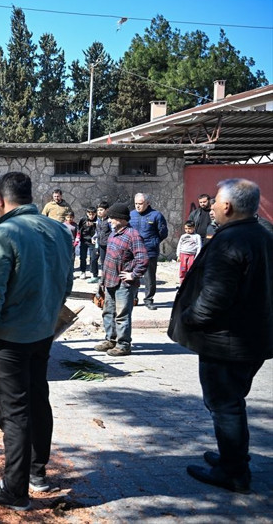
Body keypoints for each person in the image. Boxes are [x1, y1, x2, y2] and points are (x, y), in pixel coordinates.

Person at [0, 172, 74, 511]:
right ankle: (37, 472)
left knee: (14, 413)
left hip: (8, 339)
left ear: (0, 200)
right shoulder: (60, 230)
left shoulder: (3, 234)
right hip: (43, 332)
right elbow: (66, 283)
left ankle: (14, 491)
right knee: (37, 398)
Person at [168, 178, 273, 494]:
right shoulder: (263, 233)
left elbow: (214, 297)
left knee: (224, 404)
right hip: (253, 338)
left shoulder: (230, 241)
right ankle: (233, 455)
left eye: (215, 200)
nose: (211, 205)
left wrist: (190, 318)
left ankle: (234, 471)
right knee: (232, 402)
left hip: (227, 342)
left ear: (227, 206)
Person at [94, 203, 148, 357]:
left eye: (112, 218)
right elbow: (108, 260)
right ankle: (111, 340)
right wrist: (101, 282)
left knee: (122, 315)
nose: (109, 220)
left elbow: (143, 259)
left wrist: (133, 274)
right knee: (108, 313)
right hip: (109, 281)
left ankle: (123, 345)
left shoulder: (133, 235)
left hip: (124, 284)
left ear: (122, 219)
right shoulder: (113, 234)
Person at [129, 193, 168, 310]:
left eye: (140, 204)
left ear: (147, 203)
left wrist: (154, 242)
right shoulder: (131, 214)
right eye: (136, 203)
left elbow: (163, 233)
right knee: (133, 276)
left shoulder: (156, 215)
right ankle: (133, 298)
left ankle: (149, 299)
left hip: (149, 251)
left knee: (149, 277)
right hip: (134, 251)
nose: (138, 206)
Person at [175, 220, 201, 285]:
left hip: (192, 255)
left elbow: (199, 247)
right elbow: (179, 245)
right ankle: (182, 283)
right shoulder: (183, 236)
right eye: (186, 228)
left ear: (194, 228)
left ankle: (190, 284)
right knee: (183, 269)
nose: (187, 230)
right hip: (183, 255)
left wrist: (197, 256)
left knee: (191, 269)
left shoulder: (197, 236)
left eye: (189, 228)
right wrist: (178, 255)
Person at [77, 207, 98, 281]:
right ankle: (83, 271)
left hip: (93, 241)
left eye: (93, 214)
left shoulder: (97, 220)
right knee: (83, 257)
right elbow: (79, 228)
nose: (91, 216)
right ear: (87, 213)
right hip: (84, 240)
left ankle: (93, 273)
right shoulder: (83, 220)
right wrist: (79, 237)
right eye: (90, 214)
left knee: (93, 258)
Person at [94, 201, 112, 274]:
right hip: (101, 244)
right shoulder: (98, 220)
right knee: (102, 261)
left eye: (101, 210)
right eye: (98, 210)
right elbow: (97, 232)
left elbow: (113, 232)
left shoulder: (110, 220)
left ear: (107, 210)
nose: (99, 212)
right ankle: (104, 277)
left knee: (110, 262)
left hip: (109, 245)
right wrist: (94, 238)